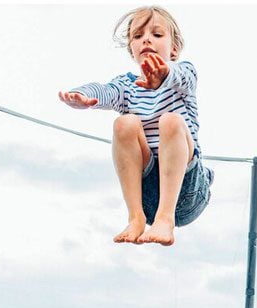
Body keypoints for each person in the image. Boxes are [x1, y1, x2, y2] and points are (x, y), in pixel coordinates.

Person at [59, 6, 212, 246]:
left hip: (187, 192)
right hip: (148, 196)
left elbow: (181, 76)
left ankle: (166, 219)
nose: (146, 40)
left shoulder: (182, 75)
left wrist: (163, 75)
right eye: (138, 36)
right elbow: (106, 90)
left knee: (170, 121)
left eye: (157, 34)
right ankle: (135, 218)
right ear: (132, 49)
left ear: (173, 48)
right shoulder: (127, 86)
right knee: (124, 123)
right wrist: (82, 95)